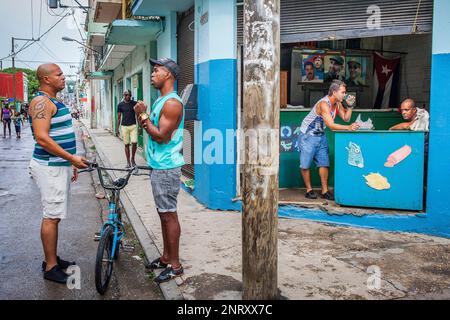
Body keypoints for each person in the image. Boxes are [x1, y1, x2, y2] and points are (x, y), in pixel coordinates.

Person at [28, 63, 88, 284]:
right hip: (49, 167)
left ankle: (51, 257)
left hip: (58, 166)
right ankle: (50, 267)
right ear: (46, 79)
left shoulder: (52, 101)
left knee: (55, 214)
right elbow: (42, 138)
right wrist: (72, 158)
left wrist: (69, 163)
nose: (63, 77)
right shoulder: (41, 102)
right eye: (59, 74)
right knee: (51, 216)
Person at [133, 58, 184, 283]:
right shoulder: (161, 100)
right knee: (163, 214)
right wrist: (141, 114)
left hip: (166, 167)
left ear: (169, 75)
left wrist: (143, 114)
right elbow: (148, 128)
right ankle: (165, 257)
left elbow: (161, 136)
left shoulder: (172, 103)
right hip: (158, 166)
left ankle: (175, 265)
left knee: (169, 215)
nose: (152, 74)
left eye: (156, 71)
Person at [299, 80, 359, 200]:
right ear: (334, 92)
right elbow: (331, 126)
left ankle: (325, 191)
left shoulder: (337, 103)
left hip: (321, 135)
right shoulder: (323, 104)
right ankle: (309, 190)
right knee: (305, 165)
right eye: (342, 92)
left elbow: (346, 118)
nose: (344, 95)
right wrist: (348, 128)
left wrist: (351, 106)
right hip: (308, 135)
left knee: (324, 163)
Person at [116, 89, 138, 168]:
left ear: (131, 95)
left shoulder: (134, 104)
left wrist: (140, 127)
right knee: (126, 144)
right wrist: (117, 128)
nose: (127, 96)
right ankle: (128, 162)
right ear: (123, 96)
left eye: (129, 95)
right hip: (124, 126)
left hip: (133, 126)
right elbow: (119, 118)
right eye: (126, 95)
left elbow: (138, 114)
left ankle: (133, 159)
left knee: (134, 142)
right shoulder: (120, 105)